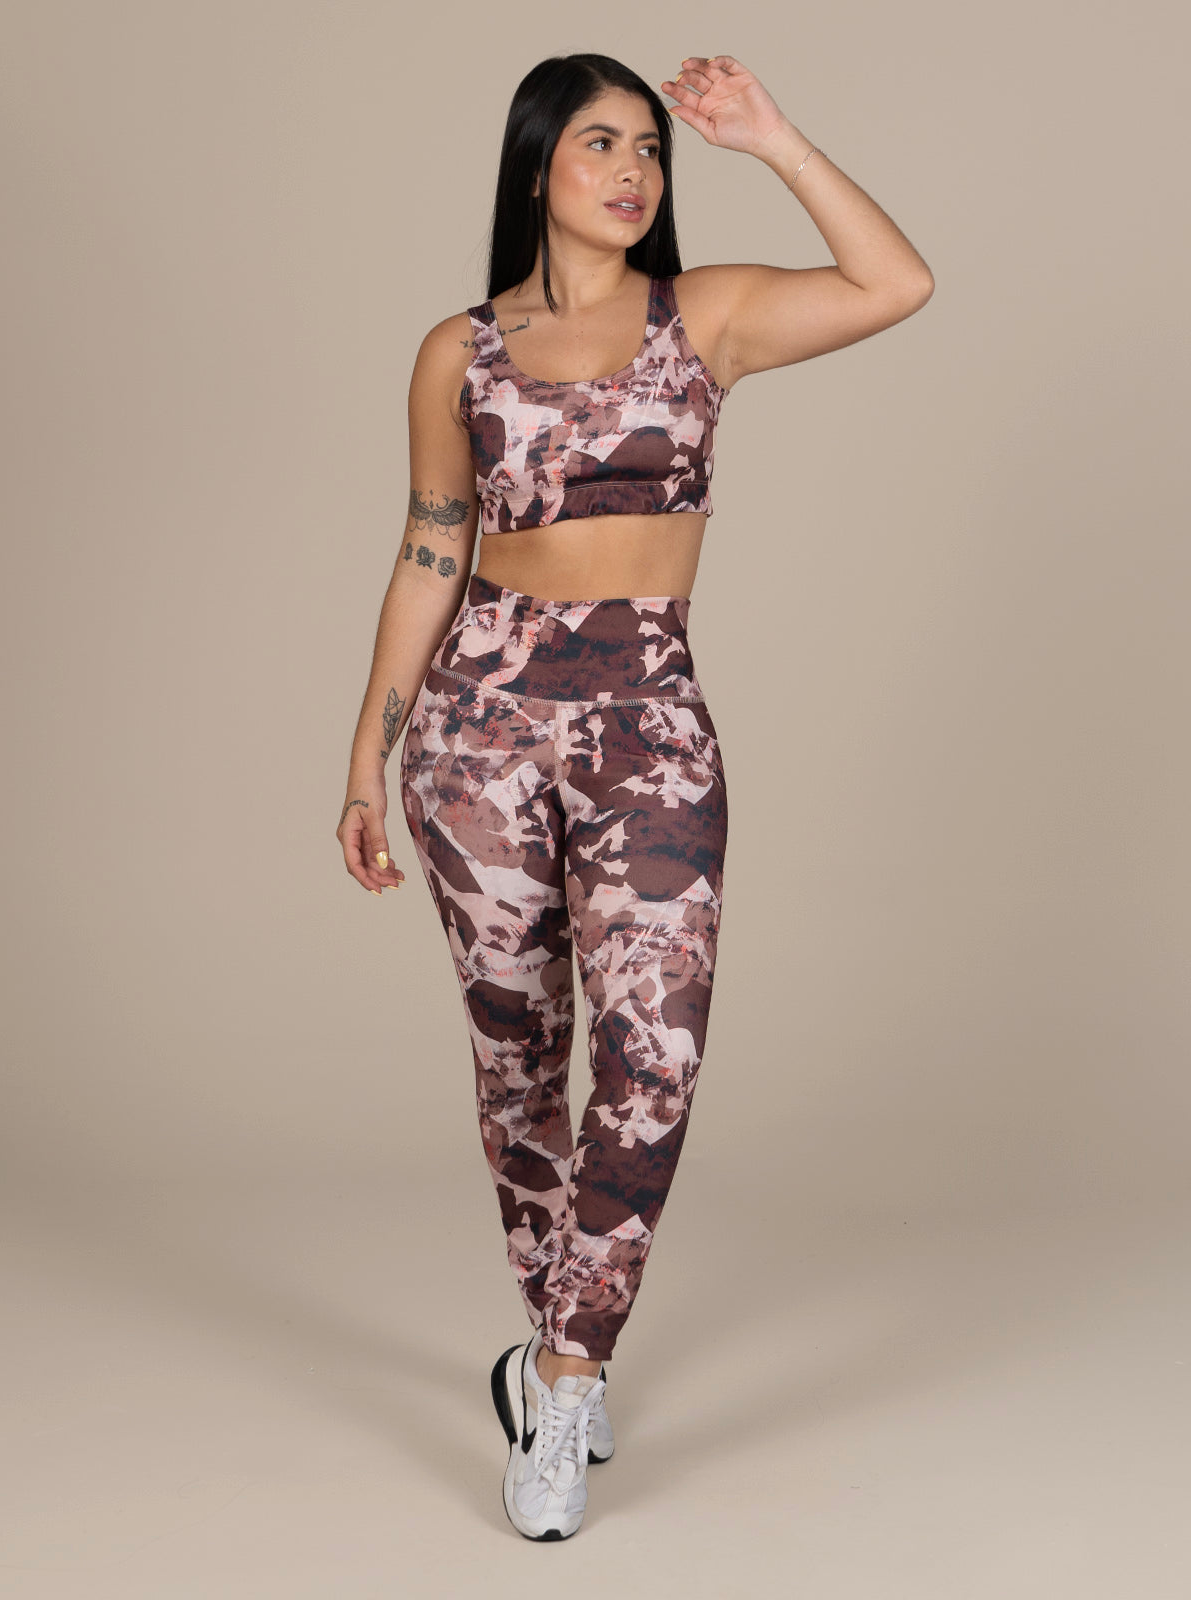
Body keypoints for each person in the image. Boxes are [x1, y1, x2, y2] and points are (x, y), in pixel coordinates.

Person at [337, 50, 933, 1541]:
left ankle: (564, 1373)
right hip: (477, 730)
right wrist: (365, 754)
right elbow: (429, 549)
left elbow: (897, 282)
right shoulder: (457, 351)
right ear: (536, 162)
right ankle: (560, 1335)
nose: (632, 170)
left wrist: (773, 137)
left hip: (647, 727)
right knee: (519, 1061)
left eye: (650, 149)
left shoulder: (703, 316)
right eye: (600, 143)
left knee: (651, 1061)